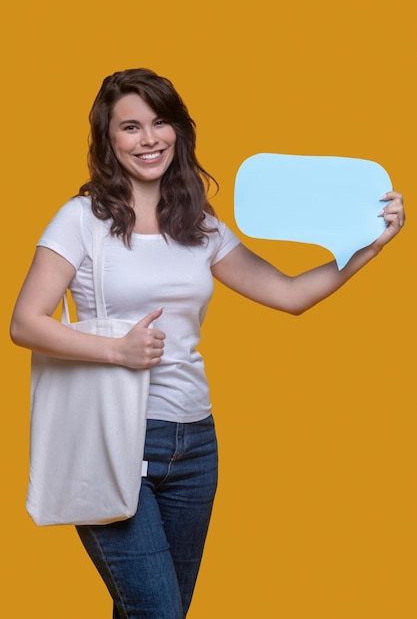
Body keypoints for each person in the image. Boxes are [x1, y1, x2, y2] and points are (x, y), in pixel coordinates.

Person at [10, 68, 405, 619]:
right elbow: (25, 323)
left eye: (160, 122)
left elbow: (288, 294)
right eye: (130, 126)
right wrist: (117, 351)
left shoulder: (199, 225)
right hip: (112, 436)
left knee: (162, 609)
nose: (148, 139)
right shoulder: (81, 221)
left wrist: (367, 249)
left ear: (178, 131)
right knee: (157, 612)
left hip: (194, 444)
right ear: (108, 139)